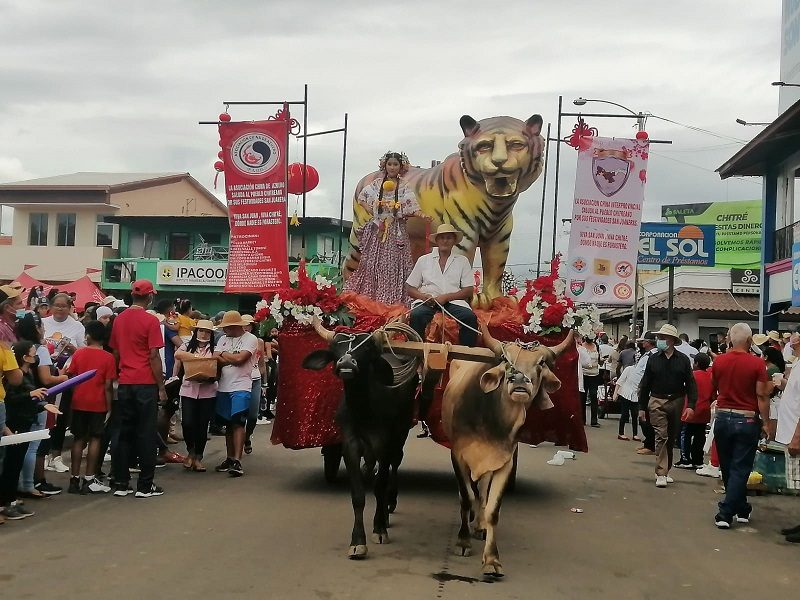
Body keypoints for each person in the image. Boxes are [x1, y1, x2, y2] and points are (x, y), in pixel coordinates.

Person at [344, 150, 428, 305]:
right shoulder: (376, 185)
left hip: (396, 232)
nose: (392, 167)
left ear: (400, 167)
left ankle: (393, 299)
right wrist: (371, 210)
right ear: (385, 165)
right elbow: (362, 198)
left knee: (395, 265)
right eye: (390, 164)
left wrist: (422, 215)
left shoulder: (404, 186)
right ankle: (373, 297)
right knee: (372, 264)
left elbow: (412, 207)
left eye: (395, 164)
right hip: (377, 231)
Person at [109, 279, 166, 498]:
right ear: (150, 297)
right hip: (145, 383)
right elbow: (153, 356)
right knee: (146, 434)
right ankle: (145, 485)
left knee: (124, 433)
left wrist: (117, 376)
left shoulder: (119, 320)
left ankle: (122, 482)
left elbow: (115, 352)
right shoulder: (150, 321)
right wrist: (161, 386)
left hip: (125, 382)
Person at [709, 323, 770, 528]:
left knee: (728, 467)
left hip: (723, 417)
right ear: (750, 341)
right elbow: (762, 395)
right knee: (740, 467)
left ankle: (741, 507)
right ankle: (726, 512)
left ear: (729, 340)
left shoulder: (719, 362)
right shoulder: (757, 364)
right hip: (747, 418)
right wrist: (767, 422)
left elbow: (715, 386)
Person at [0, 341, 60, 520]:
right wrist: (30, 395)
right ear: (24, 357)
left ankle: (10, 500)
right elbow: (12, 399)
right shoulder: (13, 376)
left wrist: (42, 405)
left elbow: (29, 400)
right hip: (14, 424)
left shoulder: (28, 374)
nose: (36, 357)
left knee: (15, 464)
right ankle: (5, 502)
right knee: (10, 465)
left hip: (25, 424)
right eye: (33, 354)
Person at [638, 324, 697, 487]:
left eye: (663, 338)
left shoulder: (683, 360)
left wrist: (691, 404)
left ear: (671, 340)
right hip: (656, 400)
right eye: (658, 338)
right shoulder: (653, 358)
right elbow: (645, 384)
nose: (659, 341)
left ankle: (666, 469)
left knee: (671, 437)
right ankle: (661, 472)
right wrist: (642, 407)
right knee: (661, 435)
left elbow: (691, 383)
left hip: (677, 400)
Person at [15, 313, 67, 498]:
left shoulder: (15, 346)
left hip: (20, 399)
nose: (44, 329)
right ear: (36, 328)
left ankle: (21, 483)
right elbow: (46, 378)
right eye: (41, 326)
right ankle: (33, 483)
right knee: (34, 446)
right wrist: (63, 377)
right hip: (39, 400)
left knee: (19, 446)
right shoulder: (40, 349)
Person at [406, 223, 478, 346]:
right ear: (437, 240)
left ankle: (466, 356)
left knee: (469, 317)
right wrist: (424, 297)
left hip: (453, 302)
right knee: (416, 315)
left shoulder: (462, 261)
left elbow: (468, 290)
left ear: (454, 241)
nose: (445, 241)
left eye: (449, 238)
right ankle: (415, 354)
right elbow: (409, 288)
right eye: (442, 237)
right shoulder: (424, 260)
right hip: (428, 301)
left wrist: (447, 297)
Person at [66, 320, 116, 495]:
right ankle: (89, 478)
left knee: (78, 439)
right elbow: (108, 385)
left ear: (87, 335)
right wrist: (109, 407)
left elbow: (71, 376)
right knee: (95, 439)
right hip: (98, 402)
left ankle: (73, 478)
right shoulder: (108, 358)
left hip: (79, 401)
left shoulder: (79, 354)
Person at [42, 292, 86, 474]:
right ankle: (42, 455)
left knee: (60, 417)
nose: (60, 308)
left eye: (64, 306)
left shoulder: (77, 326)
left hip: (65, 377)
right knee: (43, 417)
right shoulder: (43, 323)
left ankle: (56, 455)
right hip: (44, 375)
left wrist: (73, 349)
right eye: (57, 305)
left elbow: (83, 352)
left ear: (70, 308)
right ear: (51, 307)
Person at [213, 311, 258, 477]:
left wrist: (224, 355)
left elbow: (241, 360)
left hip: (241, 386)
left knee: (238, 422)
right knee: (228, 424)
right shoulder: (223, 339)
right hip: (223, 386)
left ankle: (238, 460)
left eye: (228, 327)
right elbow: (215, 357)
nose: (225, 330)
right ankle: (230, 458)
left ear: (236, 326)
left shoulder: (250, 339)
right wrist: (232, 357)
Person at [174, 320, 218, 472]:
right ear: (196, 331)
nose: (203, 334)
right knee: (187, 422)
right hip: (188, 390)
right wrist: (197, 359)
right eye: (201, 331)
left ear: (211, 334)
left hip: (208, 391)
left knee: (202, 425)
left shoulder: (214, 348)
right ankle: (191, 450)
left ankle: (198, 456)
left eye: (206, 332)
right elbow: (178, 354)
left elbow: (218, 361)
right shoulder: (188, 345)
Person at [775, 332, 800, 542]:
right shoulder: (798, 362)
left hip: (796, 434)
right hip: (791, 431)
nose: (792, 337)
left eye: (796, 334)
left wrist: (797, 437)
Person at [675, 352, 714, 469]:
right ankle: (698, 460)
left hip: (691, 409)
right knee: (700, 436)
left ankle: (685, 459)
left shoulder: (692, 375)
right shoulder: (710, 376)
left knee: (685, 435)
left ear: (696, 363)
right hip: (705, 410)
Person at [242, 315, 266, 456]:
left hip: (255, 379)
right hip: (239, 380)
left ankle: (247, 437)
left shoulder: (259, 342)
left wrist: (264, 383)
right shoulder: (235, 341)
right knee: (238, 416)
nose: (246, 327)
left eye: (249, 325)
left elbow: (262, 363)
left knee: (252, 416)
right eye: (243, 325)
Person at [634, 332, 659, 455]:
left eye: (644, 341)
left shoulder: (654, 356)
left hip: (648, 391)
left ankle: (651, 445)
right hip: (642, 390)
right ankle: (648, 442)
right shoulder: (647, 354)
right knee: (643, 418)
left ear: (649, 342)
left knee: (646, 419)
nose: (642, 343)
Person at [579, 336, 602, 427]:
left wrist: (601, 361)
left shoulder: (597, 346)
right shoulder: (581, 347)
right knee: (582, 398)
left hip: (595, 375)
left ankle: (594, 420)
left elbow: (599, 360)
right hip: (584, 374)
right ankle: (582, 420)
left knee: (593, 396)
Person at [613, 364, 639, 441]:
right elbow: (620, 381)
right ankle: (621, 433)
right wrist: (615, 393)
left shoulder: (642, 372)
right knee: (624, 413)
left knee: (635, 414)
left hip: (635, 395)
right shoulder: (629, 369)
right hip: (625, 393)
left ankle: (635, 434)